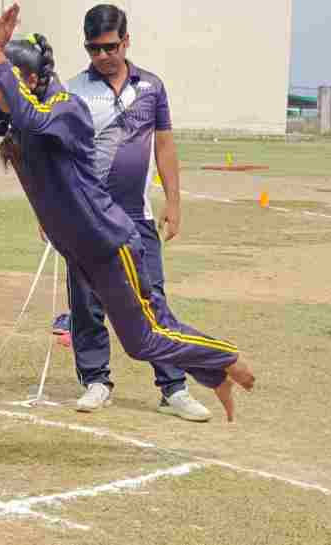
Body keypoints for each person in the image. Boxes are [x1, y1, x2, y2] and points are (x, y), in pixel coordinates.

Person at [0, 4, 255, 422]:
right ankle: (213, 373)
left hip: (110, 243)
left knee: (148, 332)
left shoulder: (64, 109)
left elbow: (34, 121)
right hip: (82, 250)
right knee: (141, 340)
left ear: (30, 81)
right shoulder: (13, 115)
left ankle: (225, 358)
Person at [59, 5, 204, 421]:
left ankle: (173, 387)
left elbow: (165, 147)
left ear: (126, 42)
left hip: (136, 219)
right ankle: (95, 381)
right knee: (86, 302)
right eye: (93, 48)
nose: (103, 56)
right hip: (85, 218)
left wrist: (174, 203)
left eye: (110, 47)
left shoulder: (152, 89)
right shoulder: (73, 92)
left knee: (152, 299)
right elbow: (60, 156)